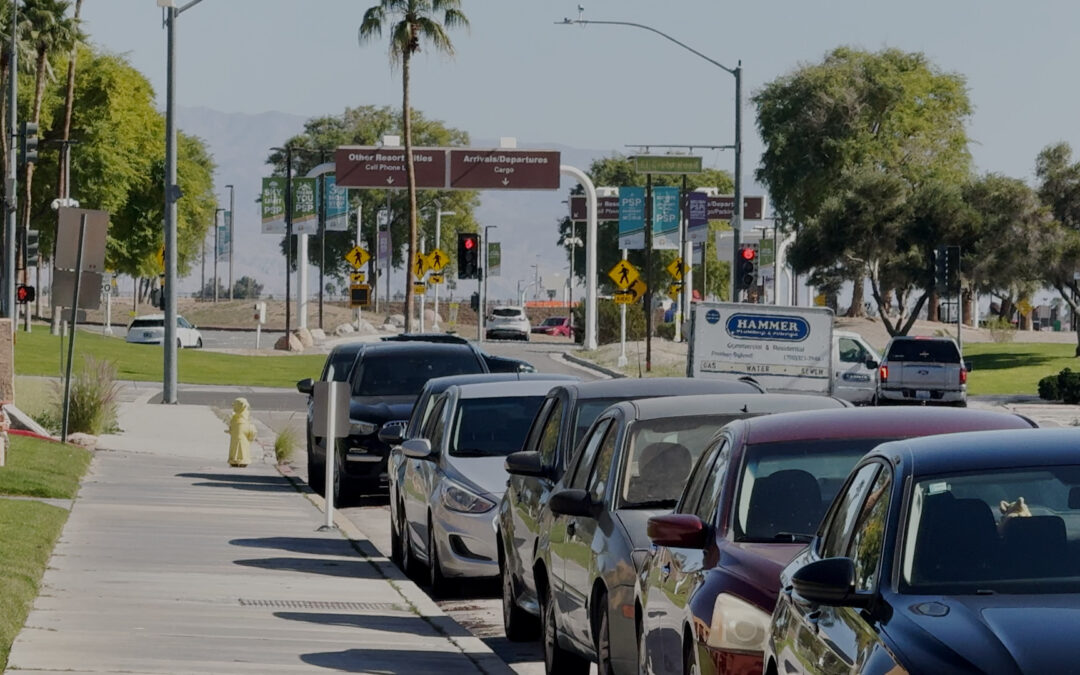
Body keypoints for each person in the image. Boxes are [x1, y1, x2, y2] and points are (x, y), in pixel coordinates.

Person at [227, 398, 257, 467]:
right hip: (246, 431)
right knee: (244, 445)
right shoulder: (244, 418)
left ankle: (233, 459)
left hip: (238, 433)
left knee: (235, 445)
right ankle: (243, 459)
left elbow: (232, 428)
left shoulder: (234, 419)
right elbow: (251, 431)